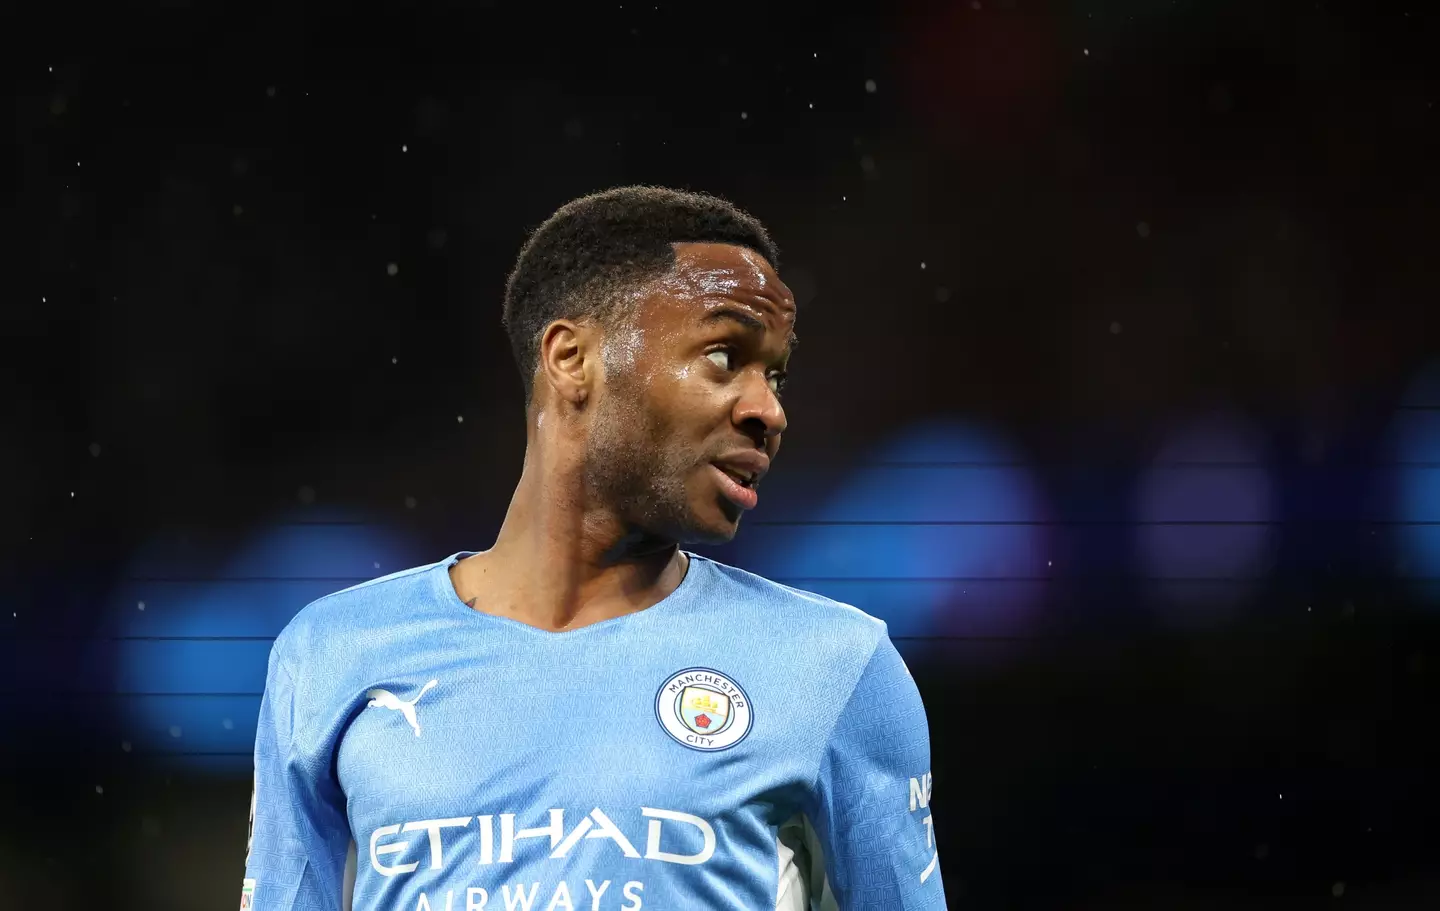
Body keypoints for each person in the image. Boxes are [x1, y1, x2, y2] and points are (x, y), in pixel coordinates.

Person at [242, 186, 946, 910]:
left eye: (775, 374)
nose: (768, 409)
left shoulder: (835, 666)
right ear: (572, 359)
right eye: (723, 355)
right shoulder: (333, 652)